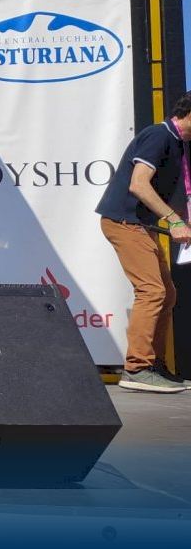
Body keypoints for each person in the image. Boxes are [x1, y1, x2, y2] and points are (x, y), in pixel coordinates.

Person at [96, 90, 191, 393]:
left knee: (167, 294)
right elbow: (139, 185)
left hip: (140, 225)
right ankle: (137, 368)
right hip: (124, 223)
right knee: (152, 291)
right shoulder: (159, 135)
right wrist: (174, 221)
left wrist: (181, 218)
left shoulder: (178, 143)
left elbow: (167, 194)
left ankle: (154, 366)